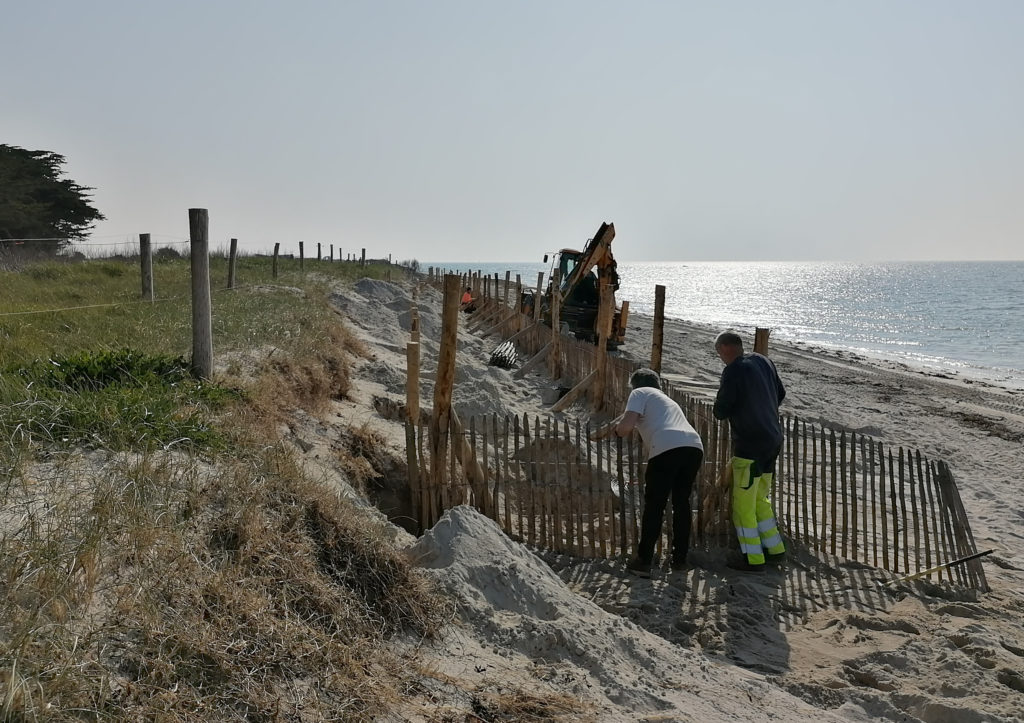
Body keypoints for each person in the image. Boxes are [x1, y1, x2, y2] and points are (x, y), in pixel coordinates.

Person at [591, 368, 704, 578]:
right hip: (694, 446)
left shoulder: (639, 393)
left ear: (635, 385)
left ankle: (643, 561)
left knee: (655, 504)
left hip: (667, 446)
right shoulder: (667, 400)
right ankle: (680, 559)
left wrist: (617, 431)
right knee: (681, 503)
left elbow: (626, 427)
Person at [712, 331, 787, 573]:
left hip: (750, 445)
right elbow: (781, 394)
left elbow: (721, 409)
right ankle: (775, 549)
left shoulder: (733, 369)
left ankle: (752, 558)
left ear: (724, 349)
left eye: (719, 354)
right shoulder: (763, 361)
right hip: (773, 440)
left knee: (743, 504)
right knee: (760, 499)